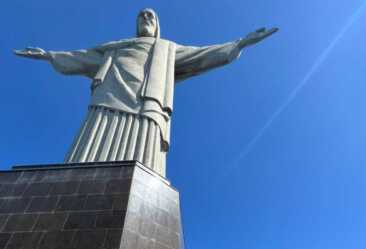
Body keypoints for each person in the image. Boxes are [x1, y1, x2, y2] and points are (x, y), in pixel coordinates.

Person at [14, 9, 278, 177]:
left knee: (144, 165)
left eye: (151, 16)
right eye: (141, 16)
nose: (145, 19)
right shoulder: (115, 48)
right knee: (88, 151)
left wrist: (240, 42)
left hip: (148, 104)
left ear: (157, 24)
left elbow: (202, 55)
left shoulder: (167, 49)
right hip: (108, 98)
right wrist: (48, 56)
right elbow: (80, 57)